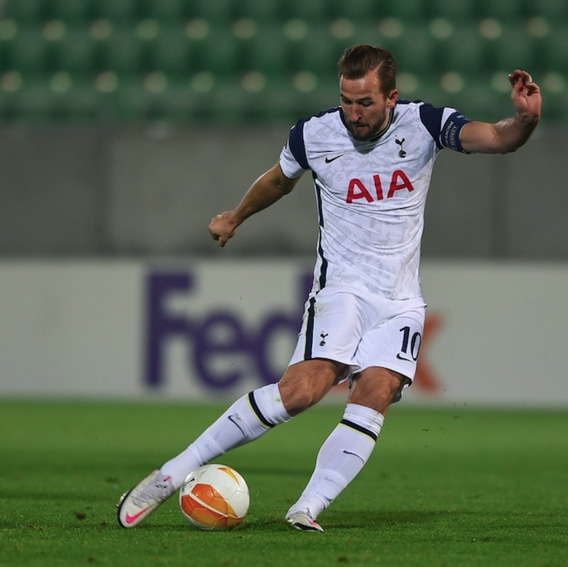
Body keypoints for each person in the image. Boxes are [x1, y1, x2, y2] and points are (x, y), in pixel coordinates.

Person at [117, 44, 542, 531]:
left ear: (391, 98)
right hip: (342, 289)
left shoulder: (425, 123)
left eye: (365, 103)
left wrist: (525, 120)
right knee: (301, 393)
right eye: (346, 101)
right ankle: (171, 475)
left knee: (375, 393)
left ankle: (307, 508)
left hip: (402, 300)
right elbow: (279, 181)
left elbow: (497, 138)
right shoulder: (313, 134)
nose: (353, 114)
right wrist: (235, 216)